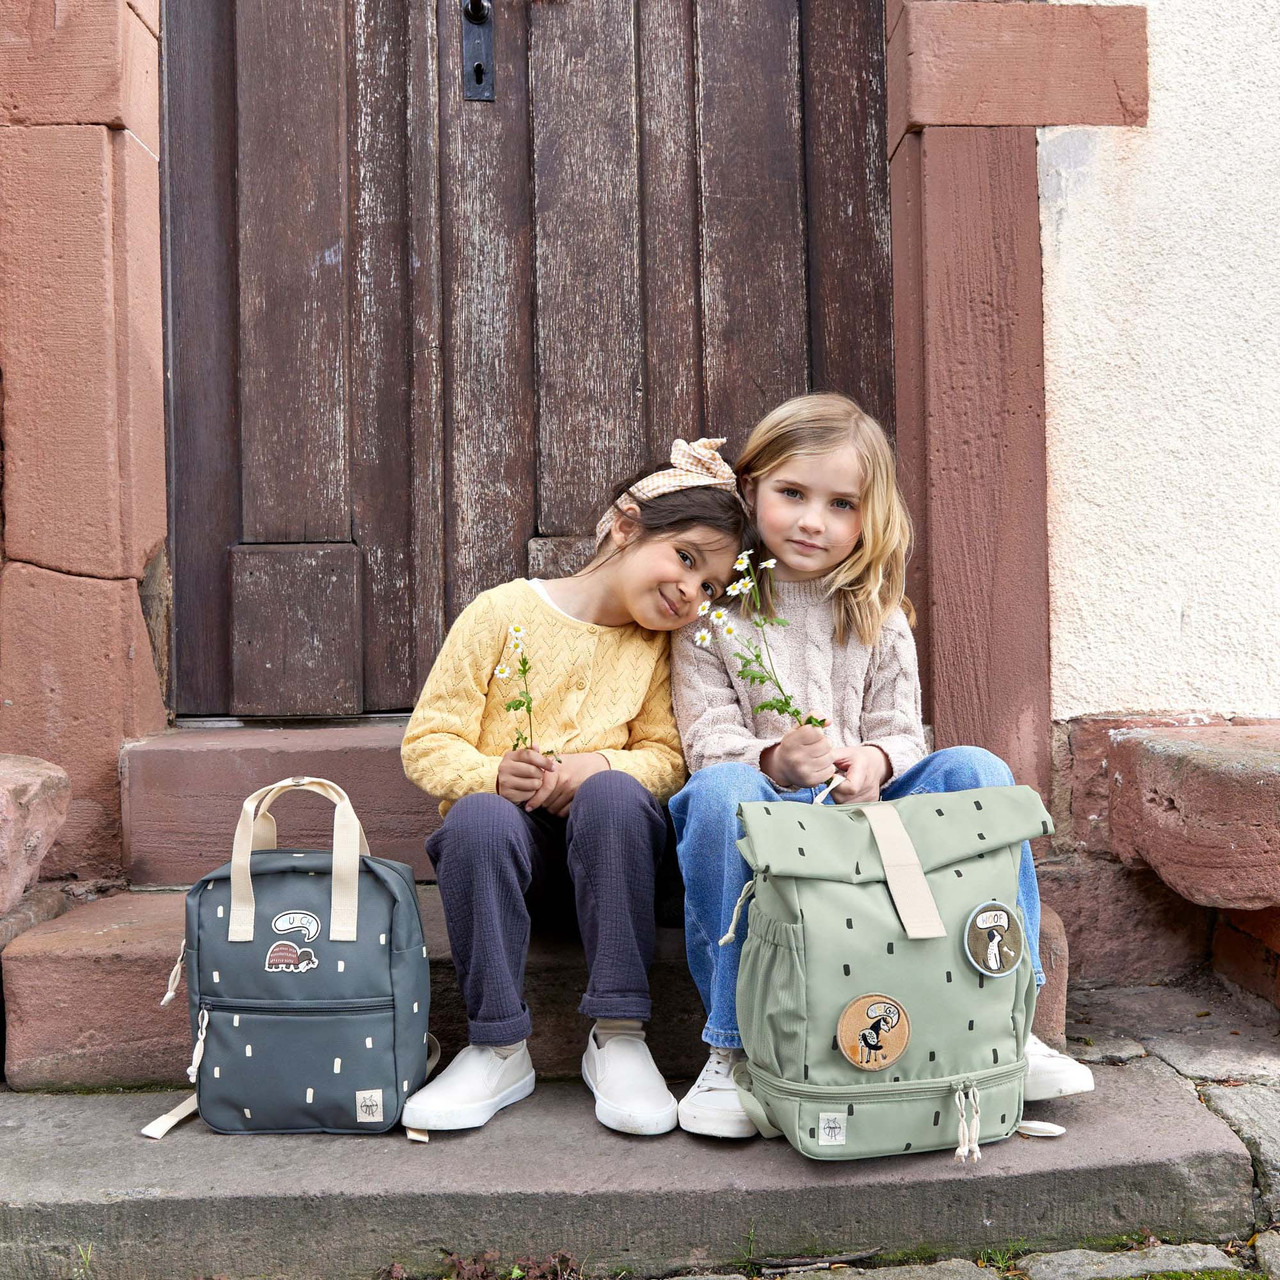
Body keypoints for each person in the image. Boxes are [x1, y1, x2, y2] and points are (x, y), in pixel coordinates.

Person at [669, 394, 1094, 1139]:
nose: (812, 521)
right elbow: (706, 738)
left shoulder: (876, 609)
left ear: (870, 517)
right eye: (792, 494)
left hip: (875, 817)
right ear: (751, 490)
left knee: (978, 769)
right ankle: (729, 1049)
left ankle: (1008, 1019)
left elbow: (904, 733)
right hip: (770, 822)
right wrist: (772, 759)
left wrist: (874, 758)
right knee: (716, 789)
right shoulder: (715, 616)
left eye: (841, 505)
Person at [401, 439, 748, 1137]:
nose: (692, 593)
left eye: (711, 587)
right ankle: (497, 1045)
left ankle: (618, 1034)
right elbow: (426, 740)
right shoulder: (501, 615)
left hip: (616, 868)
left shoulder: (660, 649)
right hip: (511, 866)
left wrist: (604, 767)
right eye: (685, 558)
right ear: (625, 526)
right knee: (476, 819)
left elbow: (670, 758)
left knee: (616, 795)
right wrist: (492, 774)